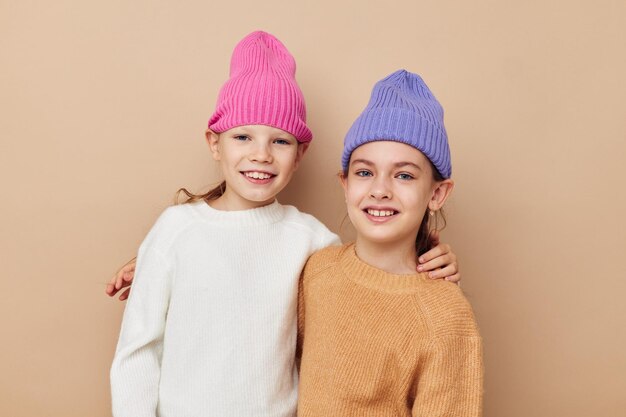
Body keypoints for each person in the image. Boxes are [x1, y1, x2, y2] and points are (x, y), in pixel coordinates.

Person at [109, 31, 460, 417]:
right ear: (214, 143)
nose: (260, 155)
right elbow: (137, 352)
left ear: (300, 153)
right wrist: (150, 256)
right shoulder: (175, 231)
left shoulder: (312, 241)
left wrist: (431, 257)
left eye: (280, 141)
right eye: (243, 136)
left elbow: (369, 287)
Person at [296, 70, 483, 416]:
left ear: (437, 193)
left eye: (404, 175)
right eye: (365, 172)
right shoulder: (317, 272)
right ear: (345, 183)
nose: (380, 189)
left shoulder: (446, 316)